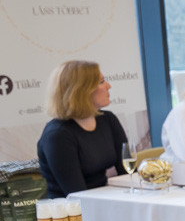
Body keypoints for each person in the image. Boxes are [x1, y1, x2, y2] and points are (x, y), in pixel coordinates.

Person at [37, 60, 129, 197]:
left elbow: (127, 173)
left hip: (103, 199)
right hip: (70, 208)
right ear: (82, 91)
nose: (109, 86)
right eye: (101, 82)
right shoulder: (58, 135)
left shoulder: (108, 119)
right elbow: (78, 195)